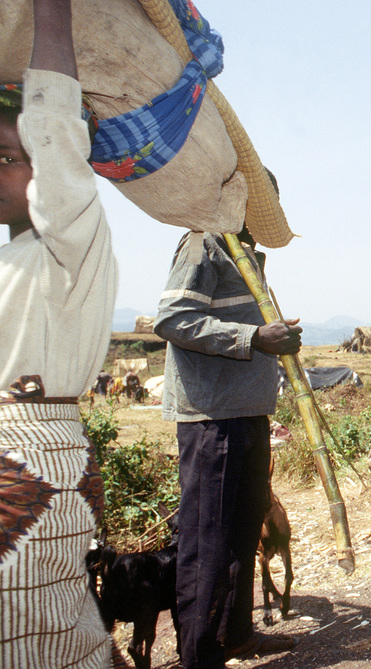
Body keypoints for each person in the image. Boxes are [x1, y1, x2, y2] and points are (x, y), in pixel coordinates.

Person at [0, 2, 117, 665]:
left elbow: (54, 138)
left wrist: (51, 17)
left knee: (36, 639)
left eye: (9, 157)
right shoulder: (15, 259)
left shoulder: (68, 241)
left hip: (26, 471)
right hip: (34, 475)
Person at [156, 214, 302, 666]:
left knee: (242, 535)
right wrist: (255, 336)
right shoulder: (203, 245)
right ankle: (198, 655)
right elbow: (174, 319)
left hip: (250, 411)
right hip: (210, 416)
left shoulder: (249, 255)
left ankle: (236, 634)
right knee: (207, 540)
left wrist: (276, 338)